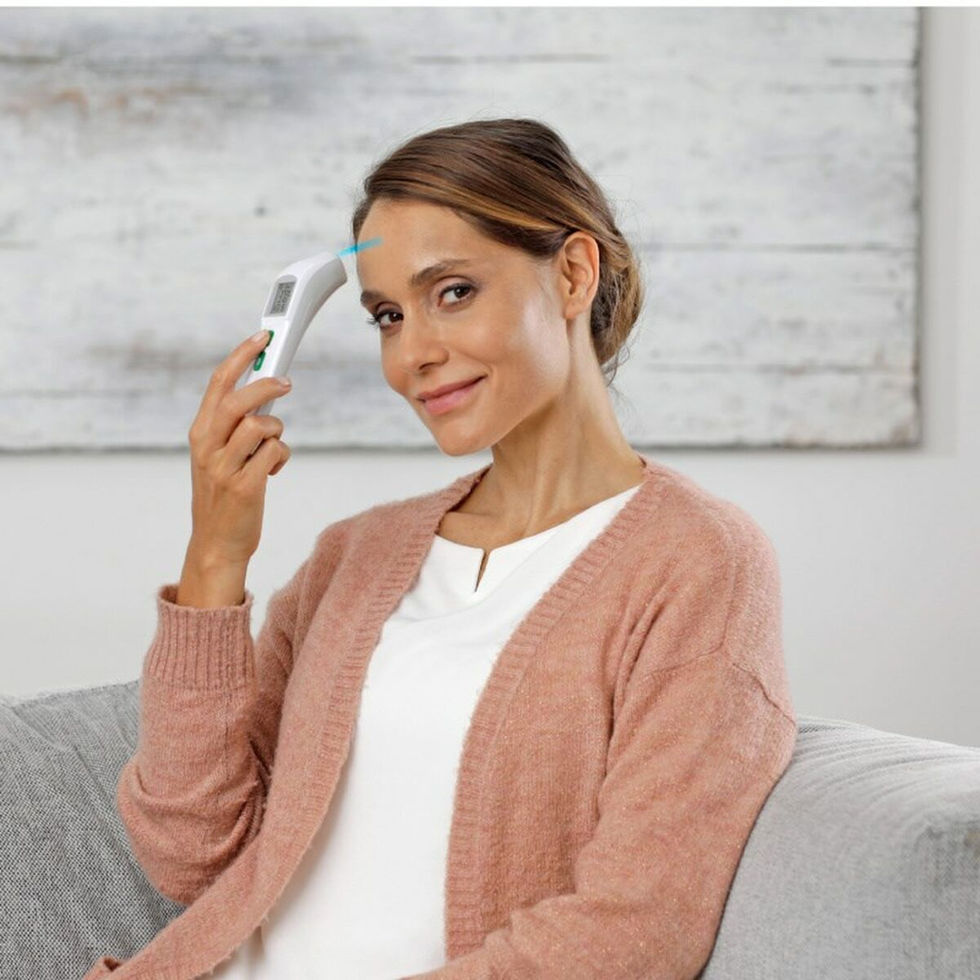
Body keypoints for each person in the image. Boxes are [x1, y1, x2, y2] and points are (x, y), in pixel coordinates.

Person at [85, 118, 797, 979]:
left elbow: (637, 930)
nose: (413, 355)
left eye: (453, 292)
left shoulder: (696, 563)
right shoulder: (356, 555)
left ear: (574, 274)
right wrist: (214, 558)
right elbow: (191, 857)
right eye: (388, 316)